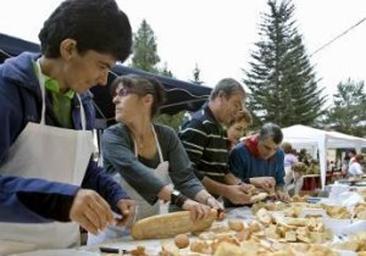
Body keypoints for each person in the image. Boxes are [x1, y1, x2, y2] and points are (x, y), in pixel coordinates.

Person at [0, 0, 135, 251]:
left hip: (64, 246)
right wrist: (61, 202)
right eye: (102, 65)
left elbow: (81, 168)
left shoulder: (82, 102)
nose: (104, 80)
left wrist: (115, 194)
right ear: (69, 48)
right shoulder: (7, 90)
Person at [89, 75, 223, 244]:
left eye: (122, 93)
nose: (115, 99)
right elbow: (136, 172)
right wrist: (183, 201)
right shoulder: (113, 135)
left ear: (147, 100)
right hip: (111, 233)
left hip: (149, 232)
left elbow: (186, 177)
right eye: (115, 95)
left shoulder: (167, 136)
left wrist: (208, 199)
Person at [179, 78, 253, 205]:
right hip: (190, 207)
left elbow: (222, 171)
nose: (238, 111)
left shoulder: (220, 129)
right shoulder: (198, 124)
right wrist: (227, 191)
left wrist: (241, 185)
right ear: (221, 96)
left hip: (210, 204)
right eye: (236, 104)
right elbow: (187, 173)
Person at [229, 123, 289, 201]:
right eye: (267, 147)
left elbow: (280, 181)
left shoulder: (279, 153)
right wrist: (252, 181)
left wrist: (280, 191)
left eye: (275, 149)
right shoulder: (239, 152)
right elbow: (231, 183)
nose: (270, 153)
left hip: (268, 205)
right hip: (240, 205)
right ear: (258, 139)